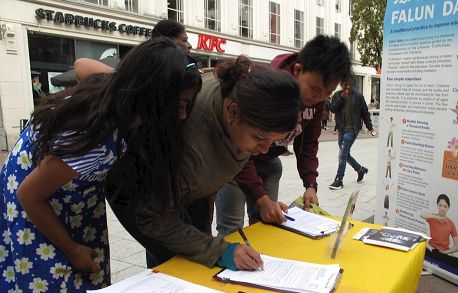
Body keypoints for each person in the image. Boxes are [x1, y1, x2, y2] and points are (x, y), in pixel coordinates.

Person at [0, 38, 197, 293]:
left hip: (66, 193)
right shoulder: (97, 140)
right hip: (38, 204)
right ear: (153, 96)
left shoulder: (117, 91)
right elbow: (28, 195)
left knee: (87, 270)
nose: (184, 115)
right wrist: (70, 249)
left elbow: (81, 64)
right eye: (178, 106)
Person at [79, 58, 301, 269]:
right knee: (178, 261)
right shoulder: (191, 142)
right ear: (232, 111)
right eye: (260, 139)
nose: (263, 150)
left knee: (196, 245)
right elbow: (153, 218)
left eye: (272, 142)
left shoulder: (240, 98)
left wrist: (259, 199)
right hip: (139, 194)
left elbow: (231, 158)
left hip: (178, 188)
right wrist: (219, 250)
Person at [215, 35, 351, 236]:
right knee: (231, 230)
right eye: (315, 90)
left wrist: (310, 184)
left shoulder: (317, 99)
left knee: (266, 224)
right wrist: (261, 198)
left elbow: (308, 144)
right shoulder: (268, 89)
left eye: (327, 93)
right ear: (297, 70)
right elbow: (238, 145)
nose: (319, 98)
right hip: (235, 162)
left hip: (267, 161)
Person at [75, 19, 195, 83]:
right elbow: (81, 64)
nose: (189, 46)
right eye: (184, 40)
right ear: (169, 41)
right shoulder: (143, 73)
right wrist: (122, 77)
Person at [329, 78, 376, 190]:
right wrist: (341, 98)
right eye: (345, 84)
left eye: (349, 84)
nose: (347, 86)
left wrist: (370, 127)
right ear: (341, 84)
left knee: (342, 153)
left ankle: (339, 179)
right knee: (345, 154)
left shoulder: (358, 96)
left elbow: (365, 112)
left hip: (353, 129)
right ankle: (360, 170)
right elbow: (332, 109)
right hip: (341, 128)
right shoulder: (337, 95)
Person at [420, 194, 458, 271]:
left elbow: (457, 247)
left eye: (445, 206)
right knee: (420, 246)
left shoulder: (451, 223)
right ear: (437, 205)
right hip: (432, 249)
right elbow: (422, 215)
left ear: (448, 207)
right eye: (440, 205)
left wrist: (445, 252)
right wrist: (437, 217)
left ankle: (432, 260)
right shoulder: (432, 217)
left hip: (443, 254)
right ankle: (435, 261)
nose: (442, 208)